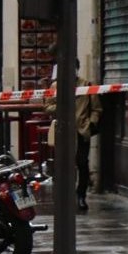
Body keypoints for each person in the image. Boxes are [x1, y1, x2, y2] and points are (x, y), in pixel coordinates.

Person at [46, 59, 101, 211]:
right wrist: (61, 106)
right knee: (63, 164)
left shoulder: (87, 85)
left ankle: (81, 196)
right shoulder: (55, 86)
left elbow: (97, 108)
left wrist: (91, 123)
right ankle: (64, 195)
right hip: (63, 131)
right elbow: (47, 106)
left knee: (82, 163)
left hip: (82, 130)